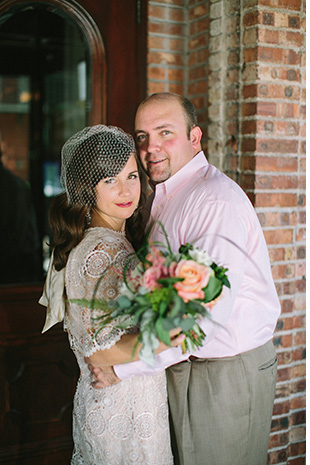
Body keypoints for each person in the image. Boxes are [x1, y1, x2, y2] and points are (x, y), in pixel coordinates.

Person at [89, 94, 281, 465]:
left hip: (224, 373)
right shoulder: (164, 196)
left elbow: (202, 322)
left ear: (196, 138)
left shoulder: (211, 201)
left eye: (165, 133)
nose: (150, 147)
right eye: (142, 136)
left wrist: (123, 368)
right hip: (179, 364)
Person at [39, 124, 185, 465]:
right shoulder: (101, 252)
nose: (126, 190)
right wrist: (170, 335)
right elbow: (100, 352)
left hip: (128, 400)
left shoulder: (113, 241)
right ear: (86, 189)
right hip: (121, 406)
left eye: (132, 176)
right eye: (110, 180)